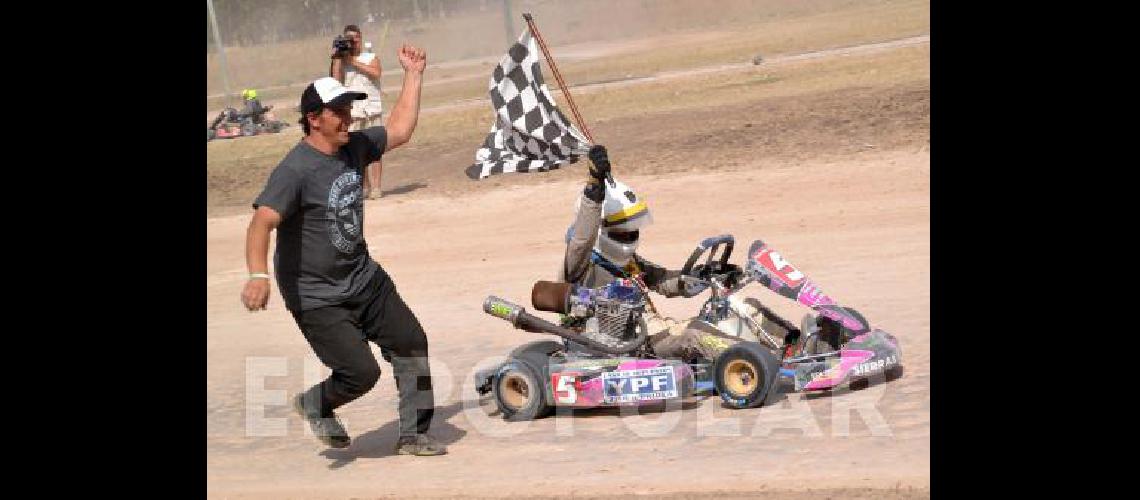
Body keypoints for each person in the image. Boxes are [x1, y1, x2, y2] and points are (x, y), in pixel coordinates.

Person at [240, 44, 446, 457]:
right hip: (317, 297)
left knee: (410, 341)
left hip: (364, 278)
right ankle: (317, 403)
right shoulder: (294, 171)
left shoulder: (354, 146)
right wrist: (258, 276)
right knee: (360, 373)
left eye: (348, 108)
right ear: (314, 119)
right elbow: (261, 222)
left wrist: (414, 74)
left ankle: (414, 436)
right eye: (338, 111)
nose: (348, 116)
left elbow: (401, 129)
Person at [559, 146, 790, 362]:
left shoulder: (628, 262)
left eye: (632, 231)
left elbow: (663, 281)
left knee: (742, 306)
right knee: (697, 335)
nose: (629, 237)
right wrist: (595, 187)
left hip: (660, 330)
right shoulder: (581, 265)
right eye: (621, 231)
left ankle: (799, 345)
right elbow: (582, 240)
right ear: (600, 230)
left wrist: (704, 275)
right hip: (633, 345)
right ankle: (764, 361)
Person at [331, 24, 385, 200]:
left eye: (355, 38)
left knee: (375, 150)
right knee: (357, 154)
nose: (352, 42)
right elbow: (335, 81)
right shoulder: (341, 61)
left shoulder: (370, 57)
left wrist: (352, 61)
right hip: (353, 112)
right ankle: (363, 188)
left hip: (371, 109)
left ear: (360, 38)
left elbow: (376, 73)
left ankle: (377, 187)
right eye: (349, 38)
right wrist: (338, 58)